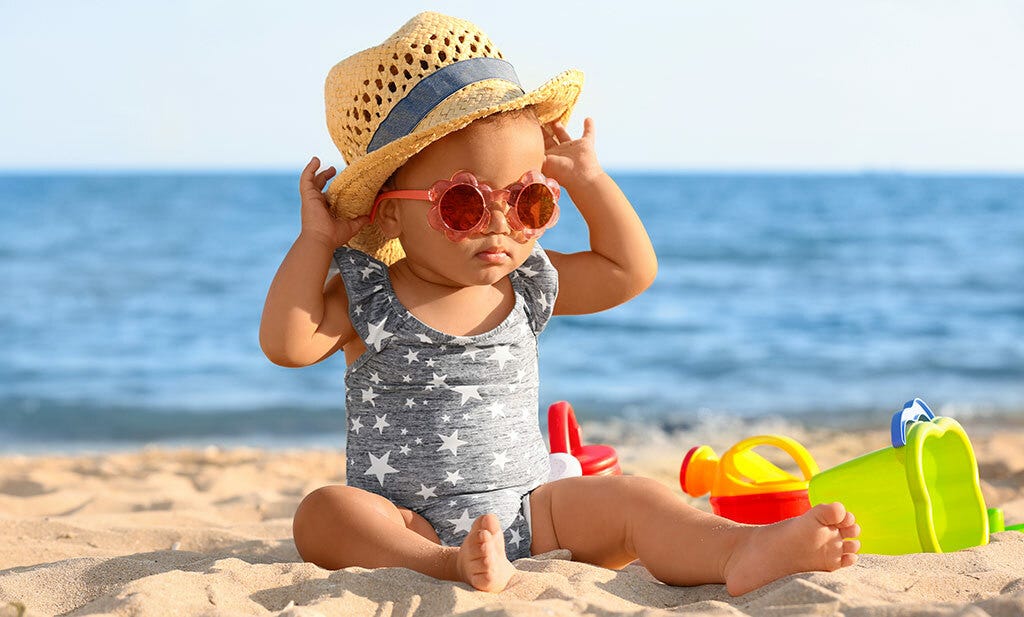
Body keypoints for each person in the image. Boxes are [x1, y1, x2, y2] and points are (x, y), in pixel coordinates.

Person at [260, 12, 860, 596]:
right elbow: (287, 345)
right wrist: (316, 242)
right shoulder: (372, 296)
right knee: (324, 513)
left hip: (533, 512)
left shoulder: (525, 285)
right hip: (406, 524)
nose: (500, 226)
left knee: (637, 497)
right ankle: (448, 565)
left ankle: (740, 550)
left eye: (529, 203)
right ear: (390, 210)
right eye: (463, 205)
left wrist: (589, 181)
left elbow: (629, 271)